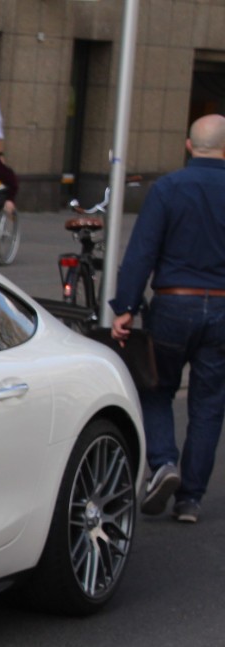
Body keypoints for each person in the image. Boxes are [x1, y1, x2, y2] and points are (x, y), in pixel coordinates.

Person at [111, 113, 225, 524]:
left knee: (156, 387)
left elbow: (143, 250)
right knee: (210, 404)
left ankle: (163, 463)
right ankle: (190, 500)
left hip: (174, 304)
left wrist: (125, 306)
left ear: (189, 145)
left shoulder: (169, 188)